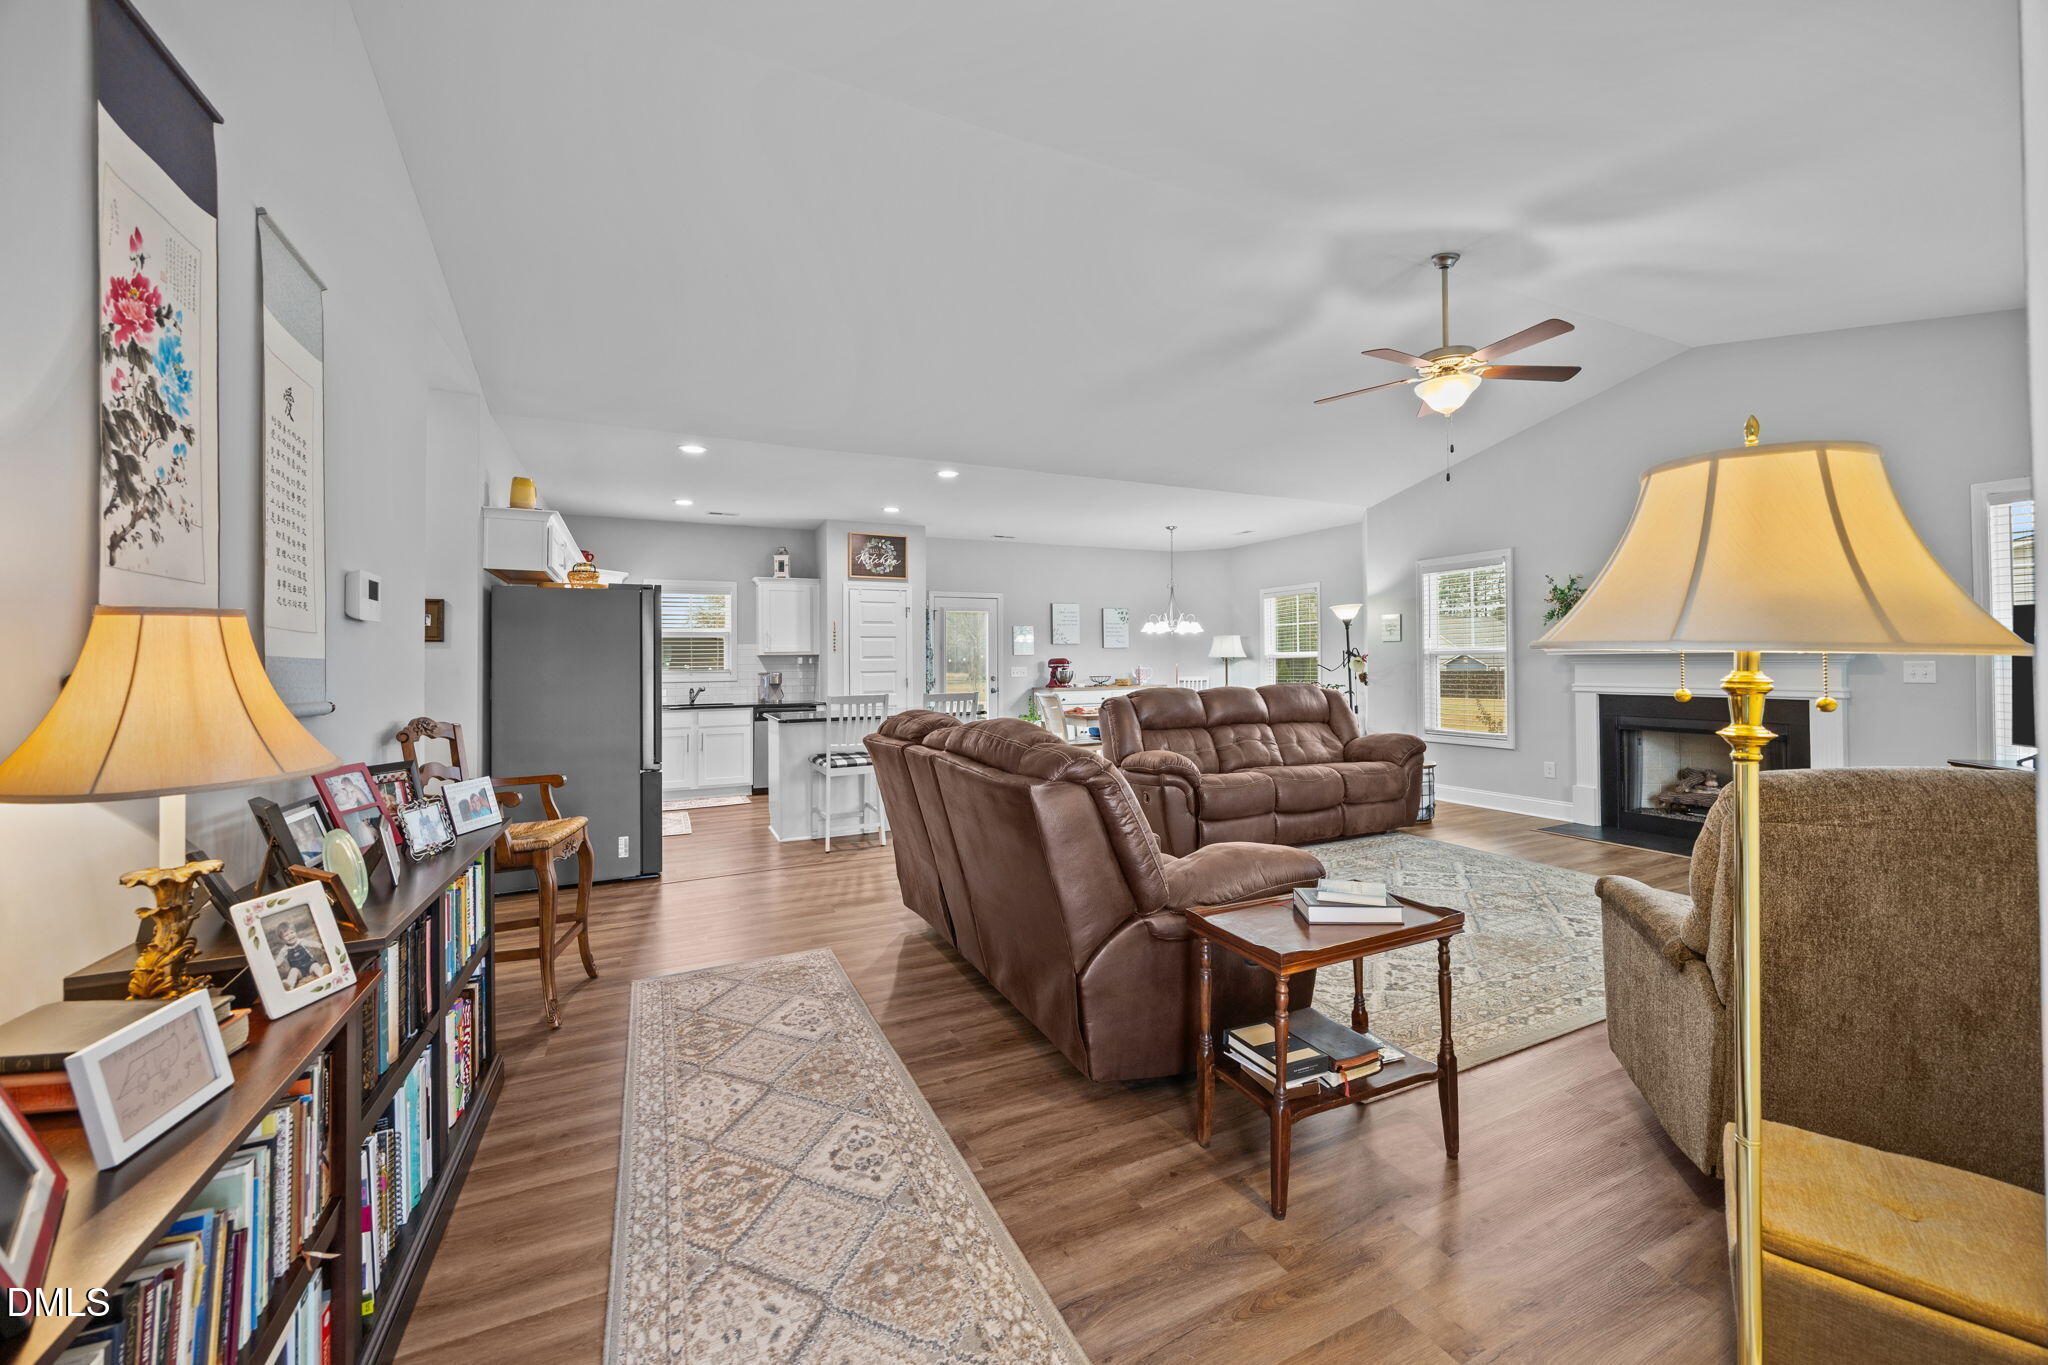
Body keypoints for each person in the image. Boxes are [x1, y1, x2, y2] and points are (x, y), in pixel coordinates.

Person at [273, 919, 327, 990]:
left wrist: (320, 946)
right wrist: (275, 964)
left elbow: (311, 943)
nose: (290, 936)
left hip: (310, 965)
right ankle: (289, 985)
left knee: (315, 966)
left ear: (295, 932)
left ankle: (323, 974)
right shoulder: (284, 950)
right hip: (299, 971)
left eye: (292, 932)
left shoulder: (301, 942)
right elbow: (278, 960)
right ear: (282, 939)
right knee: (293, 971)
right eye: (286, 935)